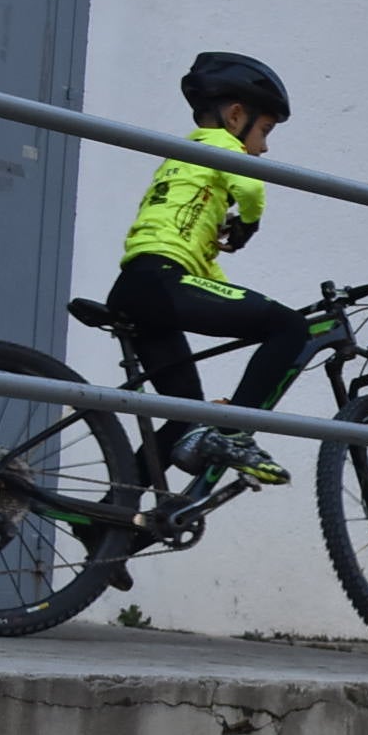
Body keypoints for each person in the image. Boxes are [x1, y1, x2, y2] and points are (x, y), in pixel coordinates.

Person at [109, 53, 311, 485]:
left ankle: (112, 520)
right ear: (237, 115)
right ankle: (235, 433)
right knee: (291, 328)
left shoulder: (186, 159)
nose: (265, 146)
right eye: (264, 131)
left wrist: (245, 301)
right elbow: (251, 185)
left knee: (186, 416)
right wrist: (249, 223)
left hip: (142, 287)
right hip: (162, 281)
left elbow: (203, 276)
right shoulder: (221, 146)